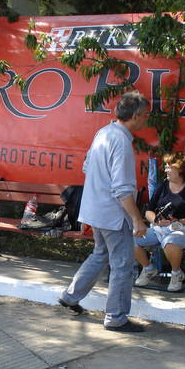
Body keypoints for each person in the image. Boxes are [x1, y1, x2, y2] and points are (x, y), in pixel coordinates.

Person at [57, 91, 149, 332]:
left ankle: (70, 296)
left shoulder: (104, 133)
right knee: (122, 265)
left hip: (95, 210)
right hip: (112, 214)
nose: (147, 120)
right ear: (136, 116)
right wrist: (136, 218)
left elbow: (87, 166)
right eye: (146, 115)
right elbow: (122, 188)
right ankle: (116, 317)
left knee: (100, 255)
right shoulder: (121, 141)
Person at [134, 152, 185, 292]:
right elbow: (148, 211)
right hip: (160, 229)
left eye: (169, 167)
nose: (166, 170)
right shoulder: (163, 185)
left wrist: (179, 221)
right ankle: (148, 269)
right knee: (131, 238)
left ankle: (176, 274)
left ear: (180, 169)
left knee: (171, 241)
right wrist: (156, 221)